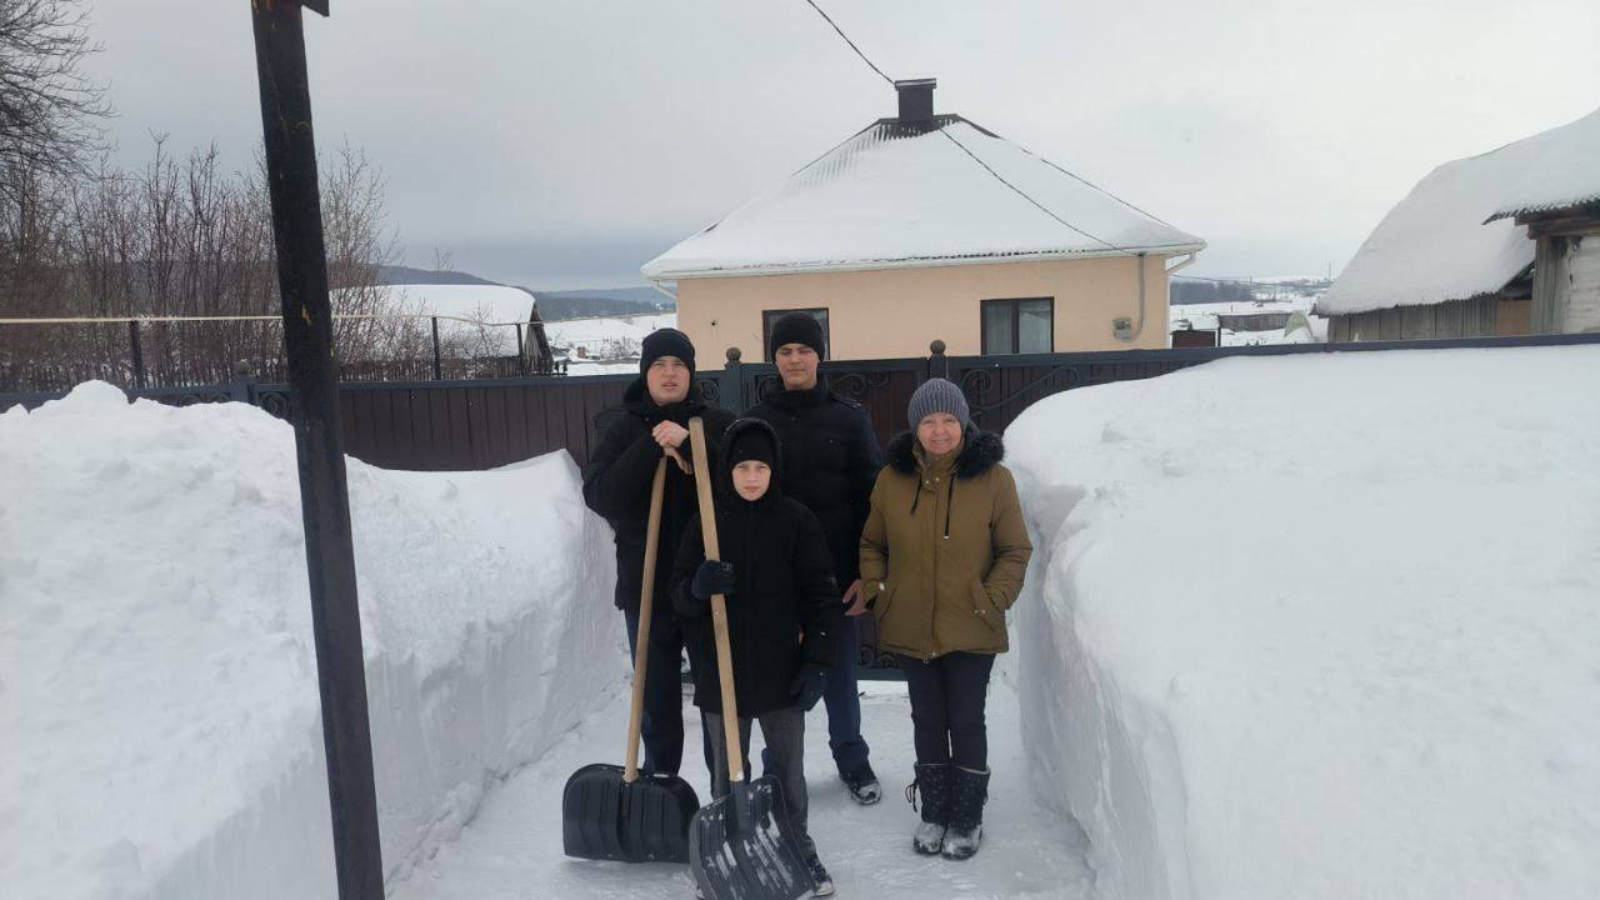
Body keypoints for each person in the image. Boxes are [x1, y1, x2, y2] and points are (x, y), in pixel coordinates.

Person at [859, 378, 1032, 861]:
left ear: (963, 422)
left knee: (966, 719)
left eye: (948, 420)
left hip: (972, 623)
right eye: (929, 421)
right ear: (915, 427)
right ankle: (935, 812)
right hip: (910, 623)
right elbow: (872, 543)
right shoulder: (892, 479)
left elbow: (1015, 550)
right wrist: (878, 592)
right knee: (927, 719)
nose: (939, 431)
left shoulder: (995, 479)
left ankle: (967, 817)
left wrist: (991, 599)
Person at [672, 417, 842, 896]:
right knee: (727, 774)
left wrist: (817, 661)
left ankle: (798, 846)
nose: (751, 477)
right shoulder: (706, 523)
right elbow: (676, 595)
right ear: (727, 470)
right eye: (743, 467)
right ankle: (727, 855)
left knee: (788, 772)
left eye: (761, 468)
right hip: (718, 672)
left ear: (774, 470)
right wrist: (697, 587)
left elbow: (821, 595)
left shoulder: (796, 521)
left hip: (780, 673)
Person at [581, 328, 734, 778]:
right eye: (659, 365)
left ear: (692, 373)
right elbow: (601, 496)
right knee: (656, 698)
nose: (670, 374)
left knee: (717, 694)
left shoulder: (716, 423)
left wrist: (690, 442)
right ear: (645, 373)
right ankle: (661, 783)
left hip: (706, 586)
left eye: (679, 365)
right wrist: (651, 446)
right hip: (645, 586)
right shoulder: (623, 428)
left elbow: (739, 485)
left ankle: (724, 786)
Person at [746, 312, 883, 805]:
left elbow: (872, 501)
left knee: (840, 677)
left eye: (804, 350)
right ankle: (777, 770)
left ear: (819, 356)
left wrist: (866, 574)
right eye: (785, 351)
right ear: (774, 359)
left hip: (836, 576)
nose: (795, 359)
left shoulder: (849, 419)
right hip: (777, 579)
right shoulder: (756, 421)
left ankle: (853, 760)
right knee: (779, 679)